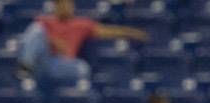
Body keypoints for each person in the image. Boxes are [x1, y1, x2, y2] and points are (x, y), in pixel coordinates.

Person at [17, 0, 147, 85]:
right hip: (43, 61)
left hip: (63, 64)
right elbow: (33, 40)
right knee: (36, 30)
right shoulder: (46, 21)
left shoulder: (81, 24)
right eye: (61, 3)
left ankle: (78, 96)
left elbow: (107, 31)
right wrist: (53, 41)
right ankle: (25, 67)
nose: (66, 7)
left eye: (68, 3)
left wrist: (133, 33)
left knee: (83, 68)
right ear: (56, 6)